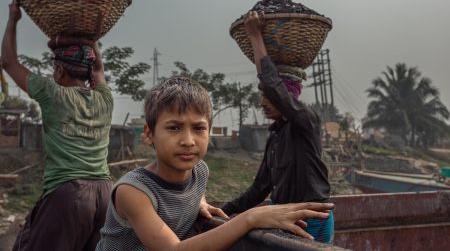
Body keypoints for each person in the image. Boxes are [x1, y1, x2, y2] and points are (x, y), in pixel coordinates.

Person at [96, 76, 334, 250]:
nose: (188, 141)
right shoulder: (133, 191)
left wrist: (199, 201)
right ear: (149, 134)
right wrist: (250, 218)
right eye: (174, 128)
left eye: (199, 128)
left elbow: (192, 188)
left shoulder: (199, 171)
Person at [2, 1, 113, 251]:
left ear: (60, 70)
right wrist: (92, 39)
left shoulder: (53, 93)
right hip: (106, 195)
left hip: (69, 195)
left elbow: (8, 62)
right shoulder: (105, 98)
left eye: (54, 70)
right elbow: (98, 67)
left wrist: (13, 19)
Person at [221, 11, 334, 243]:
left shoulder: (306, 121)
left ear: (286, 96)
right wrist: (224, 211)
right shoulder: (275, 137)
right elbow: (260, 188)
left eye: (269, 97)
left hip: (311, 218)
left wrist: (254, 36)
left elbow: (272, 85)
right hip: (280, 218)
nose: (263, 103)